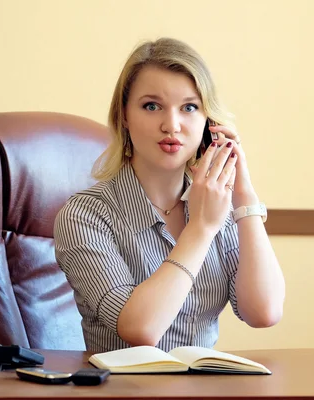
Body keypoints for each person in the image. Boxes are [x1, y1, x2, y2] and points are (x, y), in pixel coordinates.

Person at [53, 37, 285, 353]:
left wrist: (244, 195)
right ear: (124, 115)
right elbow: (141, 328)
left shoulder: (217, 204)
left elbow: (264, 312)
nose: (171, 125)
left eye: (189, 107)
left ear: (209, 122)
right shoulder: (84, 215)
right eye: (152, 106)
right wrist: (201, 229)